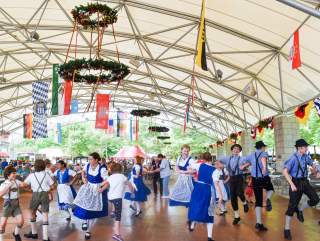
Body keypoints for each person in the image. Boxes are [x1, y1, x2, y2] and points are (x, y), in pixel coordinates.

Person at [282, 139, 320, 240]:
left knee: (315, 199)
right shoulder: (293, 158)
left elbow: (312, 164)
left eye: (307, 147)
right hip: (295, 183)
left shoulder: (306, 156)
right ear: (299, 148)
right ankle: (286, 229)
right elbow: (285, 172)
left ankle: (300, 210)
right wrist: (292, 185)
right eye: (305, 147)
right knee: (291, 207)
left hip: (305, 182)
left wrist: (316, 170)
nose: (307, 148)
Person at [73, 152, 108, 240]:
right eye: (89, 159)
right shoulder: (87, 165)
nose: (89, 160)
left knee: (92, 211)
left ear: (96, 160)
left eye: (91, 159)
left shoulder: (102, 169)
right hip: (87, 188)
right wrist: (83, 178)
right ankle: (85, 222)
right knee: (84, 206)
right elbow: (83, 172)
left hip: (96, 191)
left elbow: (107, 180)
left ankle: (88, 231)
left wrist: (101, 188)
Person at [240, 141, 274, 231]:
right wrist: (263, 167)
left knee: (258, 201)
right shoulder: (264, 153)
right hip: (264, 177)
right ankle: (267, 199)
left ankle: (258, 223)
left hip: (255, 179)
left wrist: (243, 166)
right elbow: (263, 159)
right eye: (264, 147)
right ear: (262, 147)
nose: (265, 148)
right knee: (270, 189)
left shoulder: (251, 155)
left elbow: (247, 161)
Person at [99, 163, 134, 241]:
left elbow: (102, 184)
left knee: (113, 203)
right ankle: (116, 235)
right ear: (121, 169)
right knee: (118, 218)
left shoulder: (110, 177)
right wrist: (132, 192)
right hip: (117, 198)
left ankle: (113, 211)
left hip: (110, 197)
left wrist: (100, 189)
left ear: (111, 170)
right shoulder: (123, 177)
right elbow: (130, 184)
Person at [23, 159, 54, 241]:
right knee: (45, 214)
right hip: (45, 194)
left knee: (32, 212)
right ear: (43, 166)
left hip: (35, 194)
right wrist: (49, 191)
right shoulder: (46, 174)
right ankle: (45, 237)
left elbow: (24, 185)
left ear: (35, 166)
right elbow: (52, 185)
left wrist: (29, 189)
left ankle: (34, 233)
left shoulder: (31, 175)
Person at [188, 152, 216, 241]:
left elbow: (190, 166)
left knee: (196, 207)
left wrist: (194, 176)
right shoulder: (214, 169)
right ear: (211, 159)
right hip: (208, 189)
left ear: (203, 159)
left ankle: (192, 224)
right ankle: (209, 237)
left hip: (198, 188)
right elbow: (215, 183)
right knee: (209, 211)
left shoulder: (199, 165)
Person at [220, 144, 249, 225]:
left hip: (239, 177)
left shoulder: (242, 158)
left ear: (240, 151)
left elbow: (250, 162)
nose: (236, 150)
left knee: (239, 192)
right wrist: (221, 166)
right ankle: (237, 216)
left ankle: (245, 203)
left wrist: (244, 166)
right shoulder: (226, 158)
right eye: (235, 148)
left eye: (238, 149)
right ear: (232, 150)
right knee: (233, 197)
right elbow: (218, 161)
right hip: (231, 179)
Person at [0, 165, 25, 241]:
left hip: (16, 204)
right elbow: (1, 194)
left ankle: (16, 233)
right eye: (13, 173)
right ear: (8, 175)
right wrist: (9, 185)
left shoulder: (16, 181)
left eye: (15, 173)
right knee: (2, 224)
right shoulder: (4, 184)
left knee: (21, 222)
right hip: (7, 204)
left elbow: (23, 184)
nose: (15, 174)